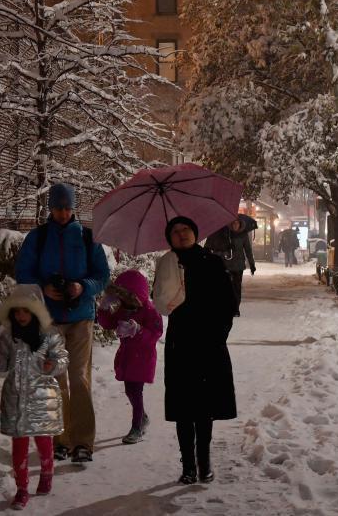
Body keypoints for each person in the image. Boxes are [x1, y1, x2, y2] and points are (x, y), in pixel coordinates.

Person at [15, 182, 110, 465]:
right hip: (50, 318)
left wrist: (83, 287)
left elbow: (102, 275)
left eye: (68, 208)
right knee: (56, 379)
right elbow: (23, 272)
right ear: (50, 208)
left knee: (79, 378)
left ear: (74, 208)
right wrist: (43, 288)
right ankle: (60, 440)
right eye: (58, 208)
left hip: (81, 317)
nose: (63, 213)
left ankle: (83, 441)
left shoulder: (87, 238)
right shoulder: (38, 238)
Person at [154, 216, 237, 485]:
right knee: (183, 407)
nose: (181, 234)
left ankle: (204, 461)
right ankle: (187, 465)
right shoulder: (167, 264)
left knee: (204, 408)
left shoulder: (212, 263)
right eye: (175, 231)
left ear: (195, 232)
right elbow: (160, 302)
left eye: (186, 229)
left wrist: (218, 336)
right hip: (180, 344)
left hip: (209, 343)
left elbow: (227, 304)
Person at [0, 285, 69, 511]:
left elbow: (62, 359)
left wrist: (54, 365)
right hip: (16, 397)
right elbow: (5, 361)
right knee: (19, 444)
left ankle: (47, 473)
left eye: (26, 311)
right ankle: (21, 488)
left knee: (43, 441)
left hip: (42, 397)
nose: (21, 316)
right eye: (17, 311)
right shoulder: (8, 336)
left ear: (36, 311)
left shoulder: (50, 335)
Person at [96, 269, 163, 445]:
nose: (125, 300)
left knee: (136, 391)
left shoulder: (150, 311)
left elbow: (156, 333)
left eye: (128, 296)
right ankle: (142, 416)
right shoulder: (123, 310)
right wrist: (104, 308)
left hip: (142, 358)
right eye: (122, 296)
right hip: (127, 357)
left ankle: (137, 427)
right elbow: (108, 324)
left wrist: (138, 331)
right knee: (129, 391)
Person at [205, 215, 257, 316]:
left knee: (236, 288)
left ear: (240, 224)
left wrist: (252, 264)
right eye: (232, 223)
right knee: (225, 287)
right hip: (225, 264)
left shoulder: (243, 235)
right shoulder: (224, 233)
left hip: (238, 266)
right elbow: (215, 248)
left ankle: (236, 309)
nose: (234, 225)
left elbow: (248, 250)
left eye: (236, 223)